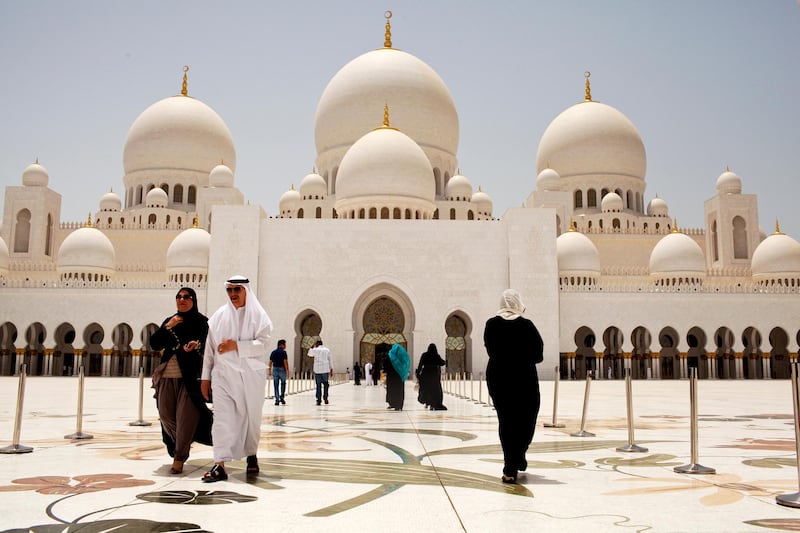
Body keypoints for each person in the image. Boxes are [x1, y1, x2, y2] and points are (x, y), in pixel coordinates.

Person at [200, 275, 273, 482]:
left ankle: (251, 454)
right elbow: (210, 350)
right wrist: (205, 378)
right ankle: (219, 464)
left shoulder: (259, 316)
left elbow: (264, 344)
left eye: (237, 290)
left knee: (251, 418)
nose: (233, 294)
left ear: (246, 291)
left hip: (251, 377)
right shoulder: (218, 317)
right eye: (229, 290)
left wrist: (236, 346)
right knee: (221, 419)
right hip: (223, 376)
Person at [150, 287, 213, 474]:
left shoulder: (202, 322)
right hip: (167, 376)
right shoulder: (170, 321)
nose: (182, 300)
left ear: (193, 300)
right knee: (166, 415)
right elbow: (155, 344)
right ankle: (184, 441)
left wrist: (196, 345)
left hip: (190, 378)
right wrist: (168, 326)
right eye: (178, 297)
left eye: (186, 297)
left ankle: (179, 457)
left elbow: (209, 346)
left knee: (186, 418)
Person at [484, 288, 544, 484]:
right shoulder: (526, 326)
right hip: (523, 378)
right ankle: (516, 458)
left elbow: (490, 350)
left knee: (507, 420)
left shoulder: (491, 325)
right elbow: (538, 355)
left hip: (498, 378)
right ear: (518, 302)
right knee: (526, 419)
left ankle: (512, 462)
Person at [416, 343, 447, 410]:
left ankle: (427, 402)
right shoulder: (436, 355)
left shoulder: (424, 355)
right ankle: (433, 404)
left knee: (427, 390)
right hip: (434, 376)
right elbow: (441, 363)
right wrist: (446, 361)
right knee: (434, 390)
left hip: (426, 374)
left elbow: (420, 365)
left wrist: (418, 374)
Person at [308, 339, 333, 405]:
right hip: (325, 369)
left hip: (317, 370)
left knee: (318, 385)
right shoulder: (327, 350)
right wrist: (331, 369)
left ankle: (318, 400)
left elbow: (309, 354)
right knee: (326, 384)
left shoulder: (315, 350)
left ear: (317, 344)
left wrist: (312, 346)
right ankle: (325, 398)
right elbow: (330, 360)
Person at [385, 344, 409, 410]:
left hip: (391, 376)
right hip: (399, 376)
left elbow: (385, 365)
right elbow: (406, 364)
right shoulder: (403, 357)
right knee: (399, 390)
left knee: (391, 390)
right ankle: (399, 405)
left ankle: (392, 403)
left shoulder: (390, 356)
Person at [269, 339, 289, 406]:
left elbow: (270, 362)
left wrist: (269, 370)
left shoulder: (273, 352)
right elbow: (285, 362)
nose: (285, 346)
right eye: (285, 344)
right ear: (282, 345)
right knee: (283, 383)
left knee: (276, 384)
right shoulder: (284, 352)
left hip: (275, 369)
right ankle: (282, 397)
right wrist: (287, 371)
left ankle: (277, 399)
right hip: (282, 369)